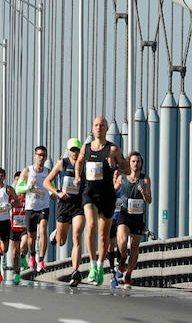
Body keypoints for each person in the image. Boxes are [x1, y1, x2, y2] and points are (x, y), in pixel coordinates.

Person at [75, 116, 130, 287]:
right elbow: (79, 162)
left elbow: (127, 168)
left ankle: (99, 267)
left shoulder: (112, 149)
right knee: (90, 225)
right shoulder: (86, 147)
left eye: (102, 125)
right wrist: (77, 176)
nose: (99, 128)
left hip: (106, 195)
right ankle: (92, 265)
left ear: (106, 129)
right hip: (89, 193)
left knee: (103, 234)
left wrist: (115, 166)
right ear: (92, 128)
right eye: (96, 125)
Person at [46, 139, 86, 284]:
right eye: (72, 150)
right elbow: (47, 182)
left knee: (76, 236)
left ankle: (75, 271)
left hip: (78, 206)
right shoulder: (63, 163)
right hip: (64, 205)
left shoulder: (85, 165)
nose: (75, 153)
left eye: (77, 150)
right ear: (68, 150)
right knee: (62, 242)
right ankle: (57, 233)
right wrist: (58, 192)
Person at [113, 151, 152, 289]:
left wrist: (143, 192)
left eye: (138, 161)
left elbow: (149, 200)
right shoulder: (122, 178)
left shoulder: (145, 179)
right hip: (125, 214)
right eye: (133, 161)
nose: (136, 164)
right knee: (122, 241)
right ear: (129, 163)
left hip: (138, 216)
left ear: (141, 164)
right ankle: (122, 257)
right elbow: (113, 192)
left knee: (135, 247)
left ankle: (128, 274)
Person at [18, 145, 53, 271]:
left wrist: (52, 193)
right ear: (34, 156)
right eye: (39, 155)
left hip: (44, 206)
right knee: (31, 236)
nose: (41, 158)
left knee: (43, 229)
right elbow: (18, 189)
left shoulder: (48, 171)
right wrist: (28, 187)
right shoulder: (27, 171)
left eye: (43, 155)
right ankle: (32, 255)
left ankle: (41, 260)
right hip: (30, 207)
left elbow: (51, 186)